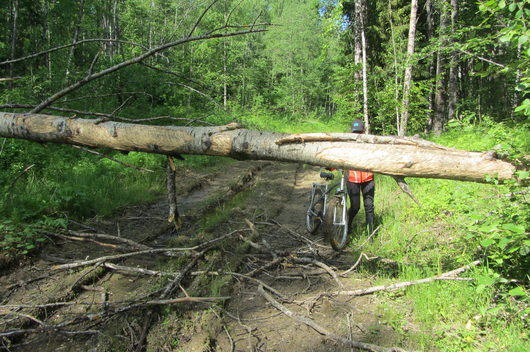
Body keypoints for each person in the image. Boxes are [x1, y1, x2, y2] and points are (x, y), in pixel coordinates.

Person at [347, 119, 375, 236]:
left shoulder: (370, 144)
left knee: (369, 207)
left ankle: (371, 234)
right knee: (355, 207)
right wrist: (331, 167)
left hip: (368, 179)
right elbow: (340, 158)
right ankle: (346, 226)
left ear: (364, 131)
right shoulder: (347, 145)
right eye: (355, 133)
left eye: (359, 133)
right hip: (353, 179)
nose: (357, 136)